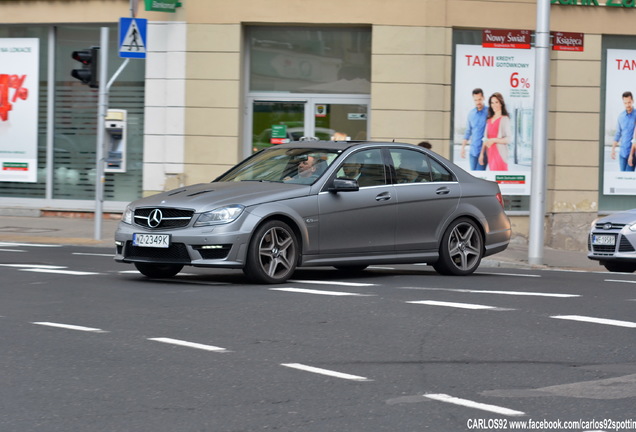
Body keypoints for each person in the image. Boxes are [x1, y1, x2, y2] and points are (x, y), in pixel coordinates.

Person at [479, 92, 511, 171]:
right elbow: (485, 138)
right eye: (492, 103)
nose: (494, 105)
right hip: (490, 153)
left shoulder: (505, 119)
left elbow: (508, 139)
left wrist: (493, 140)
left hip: (500, 154)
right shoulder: (489, 120)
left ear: (501, 103)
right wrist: (481, 154)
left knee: (501, 179)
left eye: (496, 102)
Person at [460, 88, 488, 170]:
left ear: (483, 98)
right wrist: (462, 148)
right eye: (475, 100)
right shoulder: (471, 114)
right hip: (473, 152)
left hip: (484, 151)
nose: (478, 102)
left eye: (479, 99)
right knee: (473, 176)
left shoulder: (489, 112)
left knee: (480, 177)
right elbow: (468, 132)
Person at [613, 91, 636, 172]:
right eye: (625, 103)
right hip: (622, 153)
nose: (627, 105)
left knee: (628, 178)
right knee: (622, 178)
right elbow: (618, 134)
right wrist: (613, 149)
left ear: (633, 101)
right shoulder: (621, 116)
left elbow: (635, 139)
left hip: (633, 153)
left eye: (629, 102)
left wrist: (631, 155)